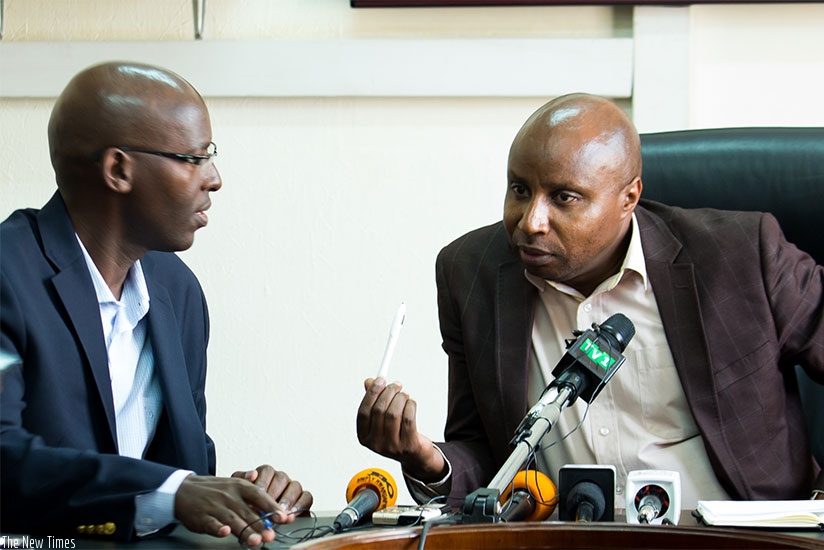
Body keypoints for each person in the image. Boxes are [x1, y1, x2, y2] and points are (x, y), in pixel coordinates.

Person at [357, 93, 824, 510]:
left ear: (629, 198)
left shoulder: (743, 255)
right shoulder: (470, 272)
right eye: (519, 189)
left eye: (564, 198)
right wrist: (426, 458)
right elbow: (483, 450)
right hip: (565, 537)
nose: (531, 222)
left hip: (734, 538)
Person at [0, 61, 312, 545]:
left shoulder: (177, 292)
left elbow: (183, 473)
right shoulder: (7, 274)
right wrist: (175, 490)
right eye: (194, 158)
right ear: (119, 170)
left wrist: (243, 494)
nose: (215, 179)